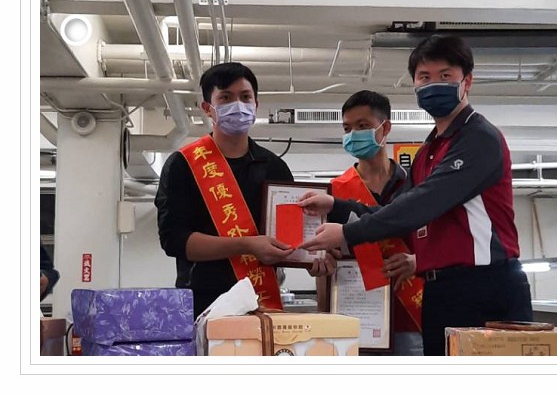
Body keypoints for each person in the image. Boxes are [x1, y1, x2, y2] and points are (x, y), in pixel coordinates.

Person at [298, 35, 533, 356]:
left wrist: (348, 233)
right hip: (441, 289)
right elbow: (397, 209)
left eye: (445, 75)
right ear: (415, 85)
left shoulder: (479, 138)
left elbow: (423, 204)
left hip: (485, 286)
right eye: (424, 77)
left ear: (467, 81)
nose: (433, 84)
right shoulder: (428, 152)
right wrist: (335, 205)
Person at [154, 62, 336, 318]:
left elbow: (289, 238)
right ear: (207, 108)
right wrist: (248, 244)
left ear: (256, 104)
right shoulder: (184, 165)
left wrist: (309, 259)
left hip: (261, 305)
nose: (238, 105)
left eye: (245, 97)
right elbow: (174, 241)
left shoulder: (274, 167)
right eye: (226, 98)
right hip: (203, 306)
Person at [328, 90, 423, 356]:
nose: (353, 134)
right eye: (347, 128)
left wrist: (419, 261)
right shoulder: (334, 192)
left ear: (385, 128)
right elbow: (327, 258)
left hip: (410, 317)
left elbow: (439, 238)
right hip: (355, 315)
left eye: (362, 126)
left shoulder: (417, 185)